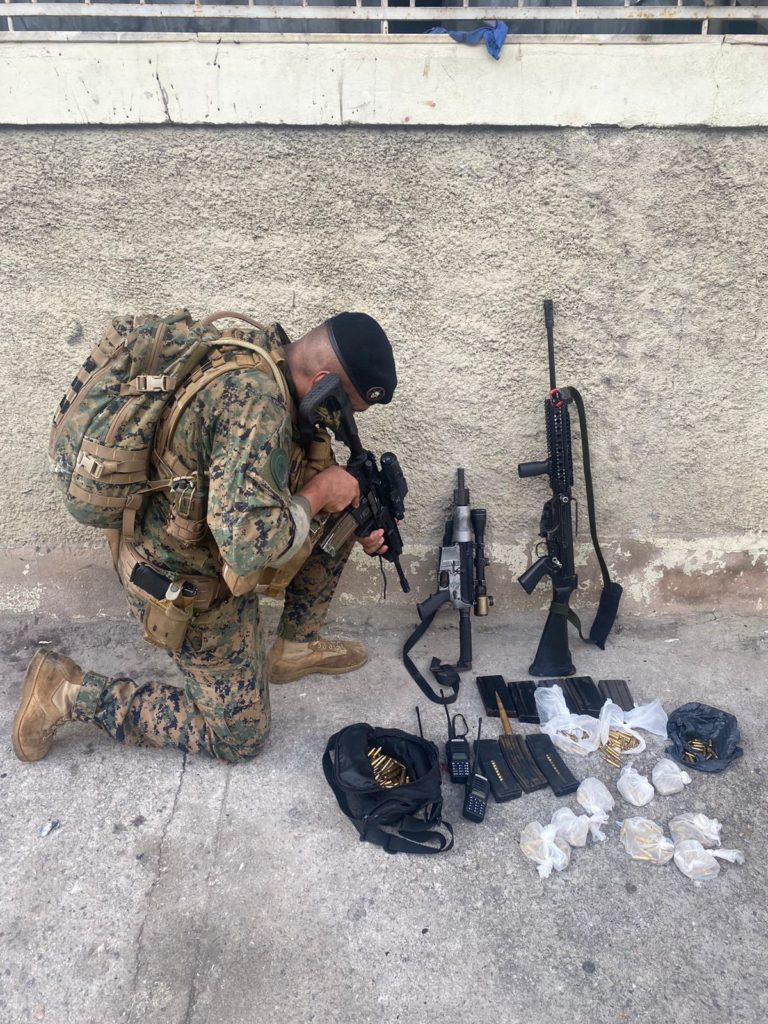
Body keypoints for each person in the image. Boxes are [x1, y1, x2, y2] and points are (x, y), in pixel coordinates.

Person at [12, 311, 397, 765]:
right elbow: (249, 550)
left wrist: (343, 503)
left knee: (344, 508)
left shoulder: (261, 352)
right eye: (345, 408)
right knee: (240, 738)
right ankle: (66, 693)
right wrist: (319, 492)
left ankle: (295, 646)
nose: (341, 421)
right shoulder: (256, 406)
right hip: (180, 582)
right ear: (323, 381)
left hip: (187, 530)